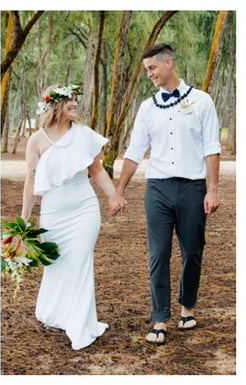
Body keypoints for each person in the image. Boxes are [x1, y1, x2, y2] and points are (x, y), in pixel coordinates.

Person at [110, 43, 220, 345]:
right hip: (157, 188)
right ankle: (159, 318)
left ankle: (187, 307)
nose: (149, 74)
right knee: (159, 254)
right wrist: (119, 190)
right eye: (147, 70)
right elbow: (134, 153)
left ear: (168, 63)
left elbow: (212, 148)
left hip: (193, 187)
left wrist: (213, 188)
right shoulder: (147, 108)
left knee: (193, 250)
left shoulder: (202, 101)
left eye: (152, 68)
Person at [20, 84, 118, 350]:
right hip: (53, 213)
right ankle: (57, 314)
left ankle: (80, 323)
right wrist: (24, 223)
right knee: (57, 265)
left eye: (76, 99)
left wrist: (112, 195)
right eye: (69, 100)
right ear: (54, 105)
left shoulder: (83, 135)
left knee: (79, 260)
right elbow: (31, 180)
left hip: (84, 208)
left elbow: (96, 170)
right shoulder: (36, 141)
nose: (75, 103)